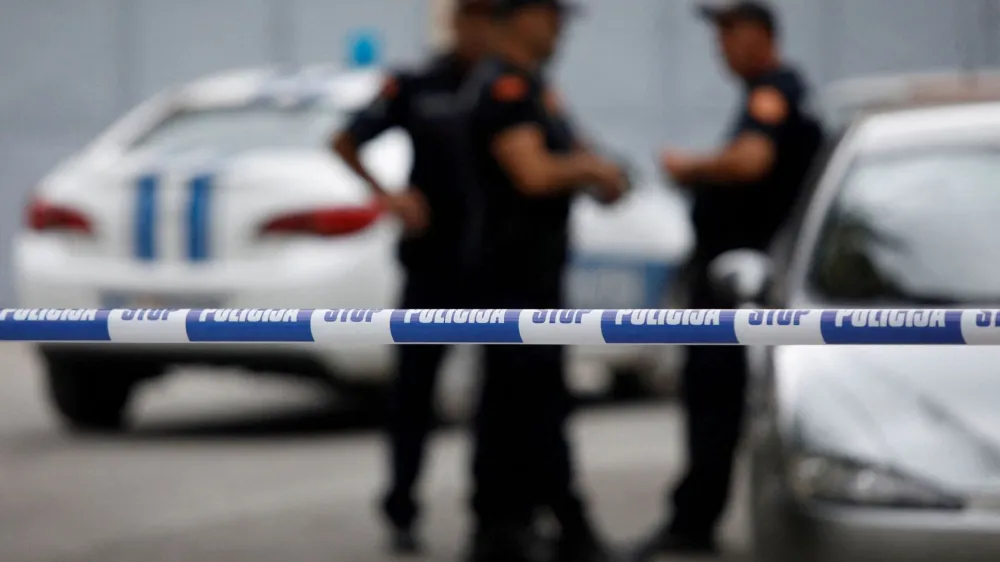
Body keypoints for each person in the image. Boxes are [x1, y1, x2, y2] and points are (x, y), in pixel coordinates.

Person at [636, 1, 825, 558]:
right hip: (740, 282)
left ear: (759, 35)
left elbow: (750, 162)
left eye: (727, 33)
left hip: (740, 287)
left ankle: (694, 523)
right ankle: (695, 516)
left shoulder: (774, 91)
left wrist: (689, 168)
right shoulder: (771, 92)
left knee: (716, 402)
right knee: (714, 401)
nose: (719, 47)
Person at [460, 1, 630, 560]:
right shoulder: (504, 87)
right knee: (518, 405)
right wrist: (590, 171)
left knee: (535, 403)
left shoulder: (536, 89)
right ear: (522, 17)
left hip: (536, 275)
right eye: (552, 16)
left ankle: (536, 526)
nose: (559, 29)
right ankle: (513, 529)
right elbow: (532, 174)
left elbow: (578, 157)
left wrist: (601, 171)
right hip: (508, 277)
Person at [330, 0, 494, 554]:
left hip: (493, 265)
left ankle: (491, 519)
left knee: (497, 402)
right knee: (412, 398)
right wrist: (388, 195)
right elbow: (344, 140)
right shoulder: (417, 84)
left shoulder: (509, 87)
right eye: (474, 17)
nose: (482, 28)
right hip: (429, 265)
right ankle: (401, 509)